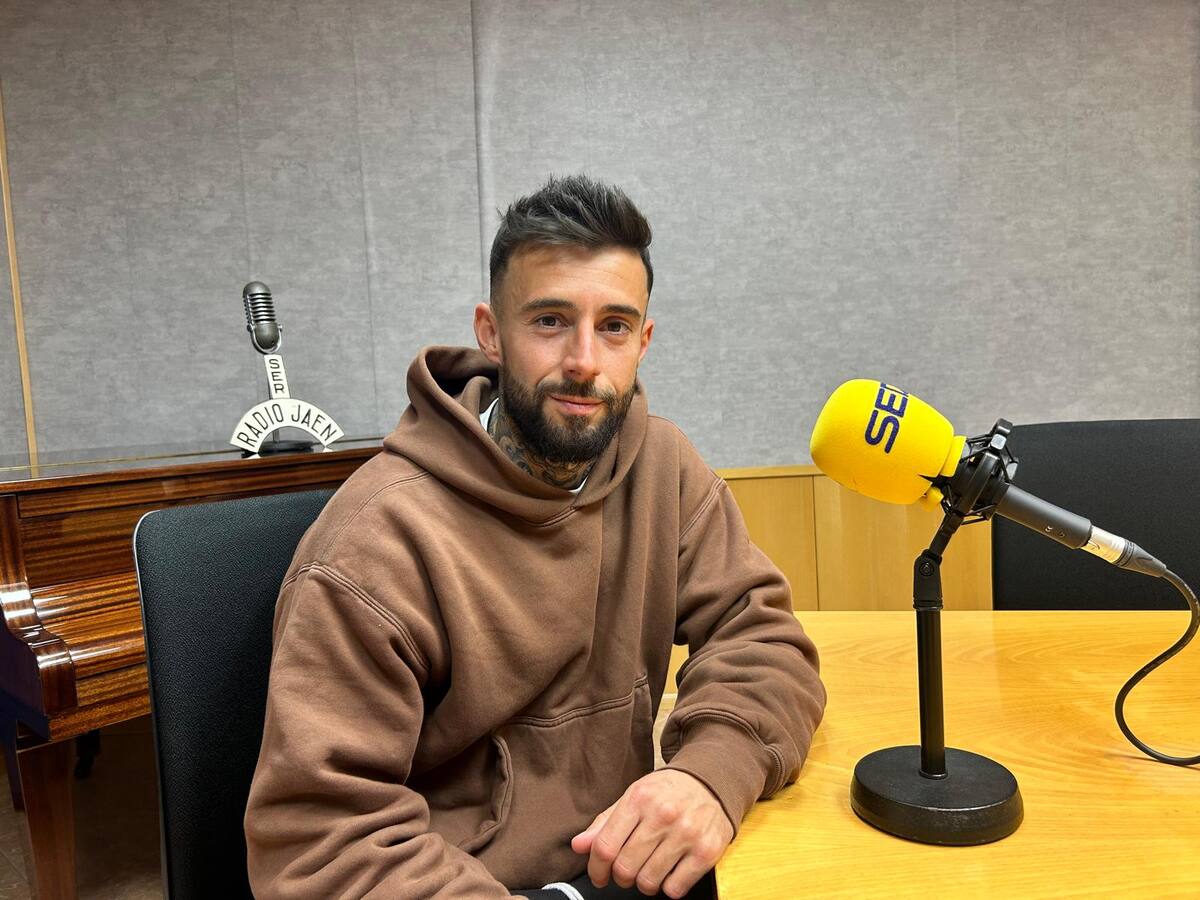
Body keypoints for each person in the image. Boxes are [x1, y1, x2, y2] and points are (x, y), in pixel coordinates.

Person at [244, 175, 826, 899]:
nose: (585, 360)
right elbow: (319, 844)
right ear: (490, 332)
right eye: (550, 321)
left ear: (643, 341)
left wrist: (710, 774)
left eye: (614, 326)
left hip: (630, 871)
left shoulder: (663, 468)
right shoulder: (376, 543)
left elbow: (762, 639)